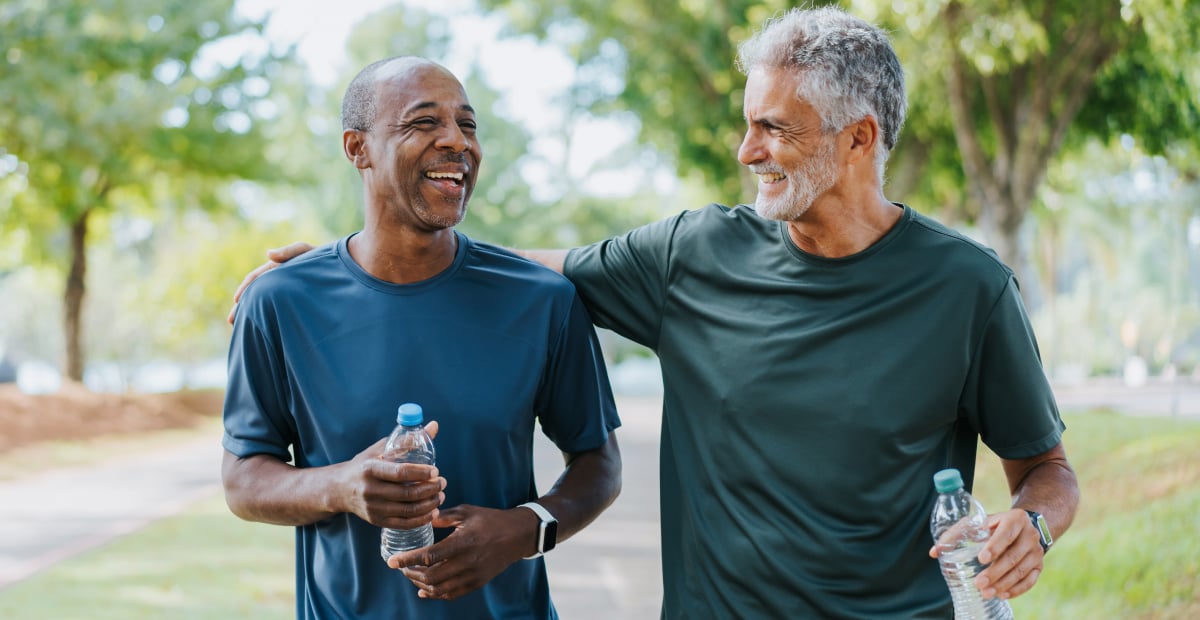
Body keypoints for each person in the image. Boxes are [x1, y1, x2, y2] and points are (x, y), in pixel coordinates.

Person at [232, 8, 1080, 619]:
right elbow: (516, 270)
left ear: (859, 139)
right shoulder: (694, 255)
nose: (746, 150)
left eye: (773, 129)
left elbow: (1046, 468)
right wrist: (343, 259)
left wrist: (1033, 526)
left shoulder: (969, 288)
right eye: (747, 124)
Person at [221, 56, 622, 620]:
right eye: (424, 122)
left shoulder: (543, 300)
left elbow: (600, 463)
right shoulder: (280, 302)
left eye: (468, 124)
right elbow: (243, 480)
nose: (457, 141)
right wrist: (342, 486)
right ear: (357, 148)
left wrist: (523, 530)